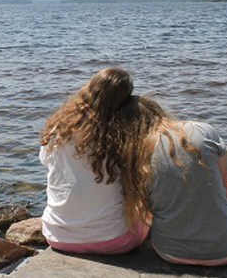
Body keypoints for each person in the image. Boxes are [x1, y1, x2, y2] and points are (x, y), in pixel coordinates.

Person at [120, 95, 227, 266]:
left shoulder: (135, 154)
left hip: (170, 253)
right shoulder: (203, 130)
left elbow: (144, 212)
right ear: (158, 111)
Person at [39, 68, 149, 255]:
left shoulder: (58, 128)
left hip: (57, 236)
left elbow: (45, 162)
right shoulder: (121, 136)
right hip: (115, 241)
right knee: (147, 214)